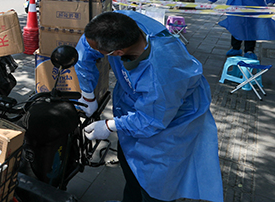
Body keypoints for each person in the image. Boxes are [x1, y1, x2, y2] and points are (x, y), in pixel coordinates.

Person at [74, 11, 223, 202]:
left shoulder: (162, 73)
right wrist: (87, 96)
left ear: (117, 53)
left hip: (170, 121)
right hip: (140, 106)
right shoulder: (120, 24)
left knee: (156, 179)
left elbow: (151, 120)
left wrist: (110, 126)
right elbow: (85, 49)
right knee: (129, 165)